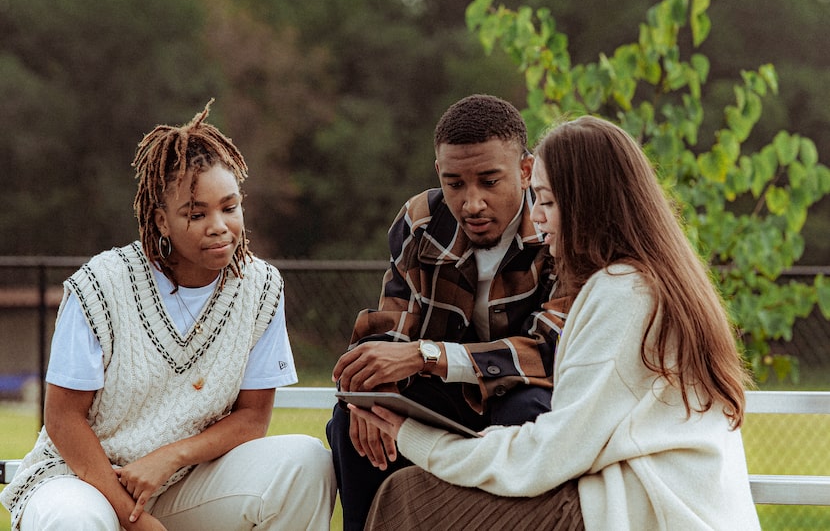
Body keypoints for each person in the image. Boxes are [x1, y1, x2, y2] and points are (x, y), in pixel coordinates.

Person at [348, 115, 761, 530]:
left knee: (410, 497)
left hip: (643, 508)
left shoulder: (623, 293)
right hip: (643, 495)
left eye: (545, 201)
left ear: (588, 206)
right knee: (400, 479)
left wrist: (415, 437)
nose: (537, 218)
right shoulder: (647, 280)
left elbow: (550, 454)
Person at [0, 101, 335, 531]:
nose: (219, 226)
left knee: (305, 462)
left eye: (229, 207)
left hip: (184, 481)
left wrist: (171, 456)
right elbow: (64, 419)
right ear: (161, 220)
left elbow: (252, 418)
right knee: (73, 521)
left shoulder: (262, 287)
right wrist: (135, 520)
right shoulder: (101, 284)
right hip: (81, 479)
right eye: (196, 214)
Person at [327, 94, 571, 530]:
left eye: (489, 182)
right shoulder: (421, 221)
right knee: (356, 415)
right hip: (446, 397)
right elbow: (393, 324)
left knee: (528, 409)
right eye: (455, 183)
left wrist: (428, 355)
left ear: (526, 170)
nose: (471, 203)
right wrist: (367, 389)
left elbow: (550, 351)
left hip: (526, 395)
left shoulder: (558, 230)